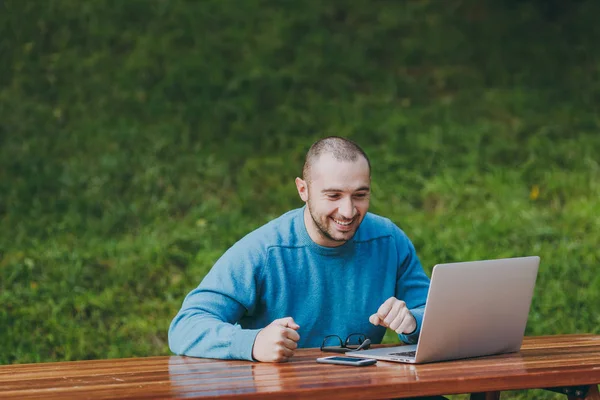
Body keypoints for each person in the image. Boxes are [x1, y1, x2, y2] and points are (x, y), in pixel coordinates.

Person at [169, 136, 431, 363]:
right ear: (303, 190)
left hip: (367, 387)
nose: (348, 211)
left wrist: (413, 322)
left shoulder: (389, 240)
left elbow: (433, 312)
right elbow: (186, 326)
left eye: (360, 195)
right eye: (333, 196)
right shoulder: (264, 250)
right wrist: (252, 342)